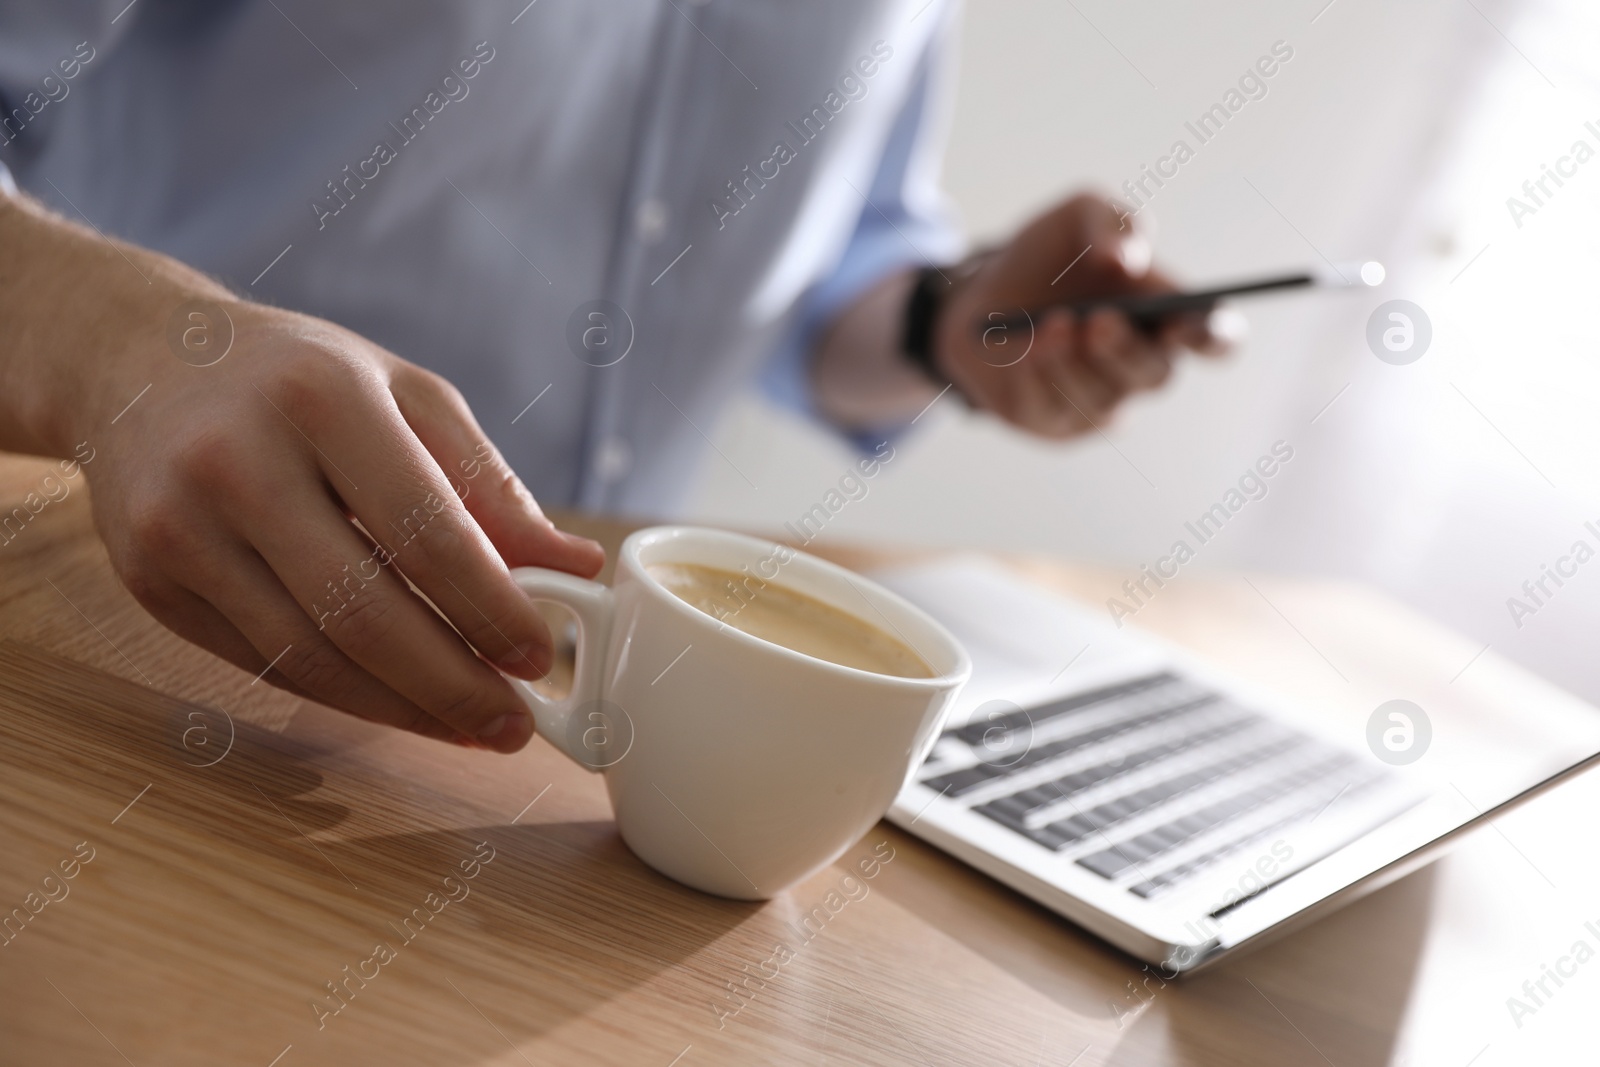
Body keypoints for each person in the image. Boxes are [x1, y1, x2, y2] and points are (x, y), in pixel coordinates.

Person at [0, 1, 1227, 753]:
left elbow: (812, 262)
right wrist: (124, 346)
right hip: (115, 631)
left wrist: (947, 323)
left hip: (573, 712)